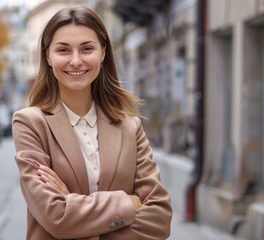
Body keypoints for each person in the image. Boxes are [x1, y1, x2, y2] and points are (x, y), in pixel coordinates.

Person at [12, 5, 172, 240]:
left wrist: (74, 210)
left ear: (103, 52)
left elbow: (160, 218)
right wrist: (129, 202)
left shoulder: (130, 127)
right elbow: (55, 217)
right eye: (63, 50)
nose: (76, 61)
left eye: (87, 49)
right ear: (47, 56)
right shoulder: (30, 123)